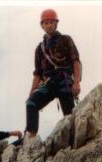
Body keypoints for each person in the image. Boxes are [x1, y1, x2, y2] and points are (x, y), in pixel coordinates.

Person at [26, 9, 81, 137]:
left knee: (69, 115)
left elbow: (75, 61)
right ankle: (31, 137)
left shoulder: (65, 39)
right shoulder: (40, 49)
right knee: (31, 103)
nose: (49, 25)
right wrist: (31, 93)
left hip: (64, 79)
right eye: (46, 22)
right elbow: (38, 74)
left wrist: (76, 82)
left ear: (56, 23)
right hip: (48, 82)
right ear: (42, 25)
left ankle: (74, 139)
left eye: (51, 22)